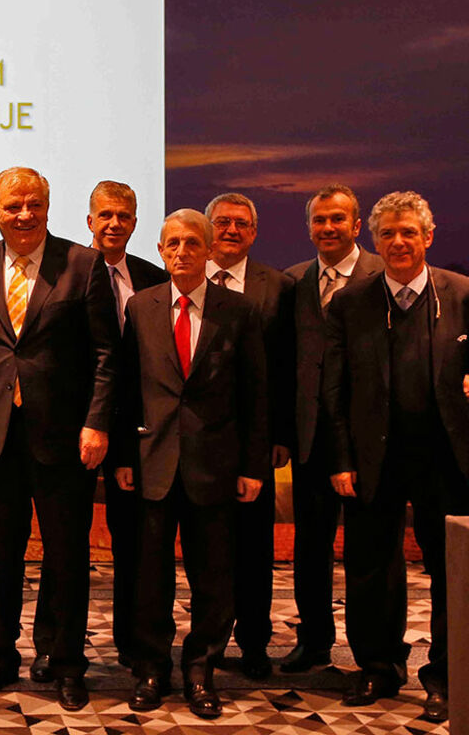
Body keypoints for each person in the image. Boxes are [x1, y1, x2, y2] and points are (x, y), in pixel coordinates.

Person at [0, 167, 119, 710]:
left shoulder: (83, 263)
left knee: (67, 557)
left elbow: (106, 353)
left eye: (34, 204)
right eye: (13, 206)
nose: (24, 214)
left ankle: (67, 663)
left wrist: (97, 422)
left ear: (48, 208)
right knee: (0, 557)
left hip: (66, 439)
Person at [323, 191, 469, 724]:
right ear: (375, 240)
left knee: (453, 572)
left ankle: (447, 677)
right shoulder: (350, 302)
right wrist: (340, 459)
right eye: (388, 234)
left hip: (447, 459)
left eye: (409, 232)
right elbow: (333, 390)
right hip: (371, 459)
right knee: (370, 569)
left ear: (428, 236)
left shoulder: (462, 294)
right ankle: (378, 667)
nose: (399, 242)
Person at [118, 209, 269, 719]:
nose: (181, 252)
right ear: (160, 251)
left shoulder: (239, 310)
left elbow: (256, 394)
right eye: (172, 244)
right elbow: (127, 389)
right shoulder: (140, 307)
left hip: (216, 467)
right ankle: (151, 669)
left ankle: (201, 669)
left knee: (214, 578)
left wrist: (253, 467)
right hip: (153, 464)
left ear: (208, 250)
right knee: (150, 578)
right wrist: (124, 457)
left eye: (191, 243)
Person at [282, 185, 383, 673]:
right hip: (310, 437)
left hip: (366, 440)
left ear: (356, 225)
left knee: (369, 550)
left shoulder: (382, 276)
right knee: (311, 548)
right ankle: (314, 641)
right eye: (319, 220)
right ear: (309, 227)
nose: (328, 228)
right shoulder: (293, 281)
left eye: (337, 219)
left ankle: (375, 654)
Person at [204, 192, 294, 679]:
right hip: (198, 441)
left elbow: (283, 369)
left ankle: (254, 643)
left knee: (254, 550)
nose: (231, 230)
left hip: (252, 441)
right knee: (209, 551)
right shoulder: (185, 278)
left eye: (241, 224)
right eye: (222, 222)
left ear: (254, 233)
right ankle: (209, 642)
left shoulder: (278, 287)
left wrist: (278, 435)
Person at [85, 180, 168, 670]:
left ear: (135, 223)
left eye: (124, 216)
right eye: (106, 215)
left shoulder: (154, 277)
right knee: (66, 544)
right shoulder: (69, 271)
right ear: (90, 221)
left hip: (137, 431)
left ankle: (133, 643)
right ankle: (57, 648)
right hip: (79, 428)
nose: (114, 224)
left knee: (135, 542)